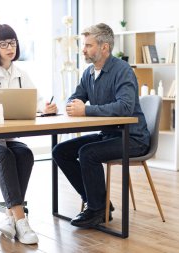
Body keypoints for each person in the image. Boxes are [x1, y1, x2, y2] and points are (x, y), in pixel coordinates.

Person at [0, 24, 57, 244]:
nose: (9, 47)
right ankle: (21, 221)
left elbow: (36, 101)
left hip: (6, 137)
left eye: (12, 42)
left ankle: (9, 217)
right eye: (3, 43)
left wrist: (45, 108)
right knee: (4, 156)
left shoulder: (21, 74)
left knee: (25, 154)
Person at [52, 23, 150, 228]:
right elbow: (75, 99)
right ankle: (99, 202)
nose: (83, 49)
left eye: (88, 45)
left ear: (104, 47)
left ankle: (98, 210)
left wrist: (86, 110)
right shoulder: (88, 73)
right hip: (109, 135)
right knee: (60, 151)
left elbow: (124, 107)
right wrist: (67, 106)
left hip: (132, 138)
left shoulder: (122, 71)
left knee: (88, 153)